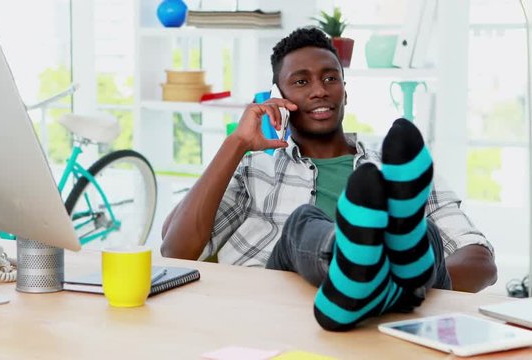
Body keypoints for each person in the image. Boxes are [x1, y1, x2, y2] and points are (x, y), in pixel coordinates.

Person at [160, 27, 497, 330]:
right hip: (275, 316)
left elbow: (480, 260)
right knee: (300, 225)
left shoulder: (397, 167)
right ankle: (354, 263)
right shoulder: (253, 170)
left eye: (330, 78)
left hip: (391, 313)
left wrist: (400, 291)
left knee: (427, 237)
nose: (319, 90)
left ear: (345, 92)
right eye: (301, 81)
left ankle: (377, 281)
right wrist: (237, 143)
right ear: (279, 98)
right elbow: (177, 249)